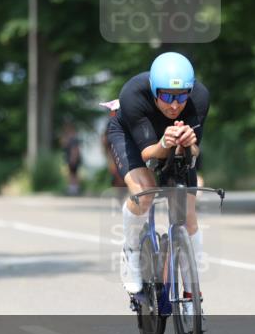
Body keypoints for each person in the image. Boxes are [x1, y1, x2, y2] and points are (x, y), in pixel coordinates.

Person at [106, 52, 209, 297]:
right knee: (144, 195)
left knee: (188, 215)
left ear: (190, 90)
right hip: (134, 138)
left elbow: (193, 151)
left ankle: (191, 289)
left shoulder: (200, 97)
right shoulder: (133, 94)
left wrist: (189, 142)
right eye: (166, 96)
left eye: (181, 96)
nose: (174, 105)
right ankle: (130, 252)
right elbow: (148, 154)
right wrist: (165, 142)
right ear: (154, 90)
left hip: (171, 139)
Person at [60, 121, 82, 196]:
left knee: (73, 174)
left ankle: (74, 189)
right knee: (72, 174)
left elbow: (75, 150)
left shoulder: (73, 139)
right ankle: (73, 188)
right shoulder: (71, 138)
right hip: (72, 158)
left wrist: (73, 159)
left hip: (73, 159)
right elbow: (63, 144)